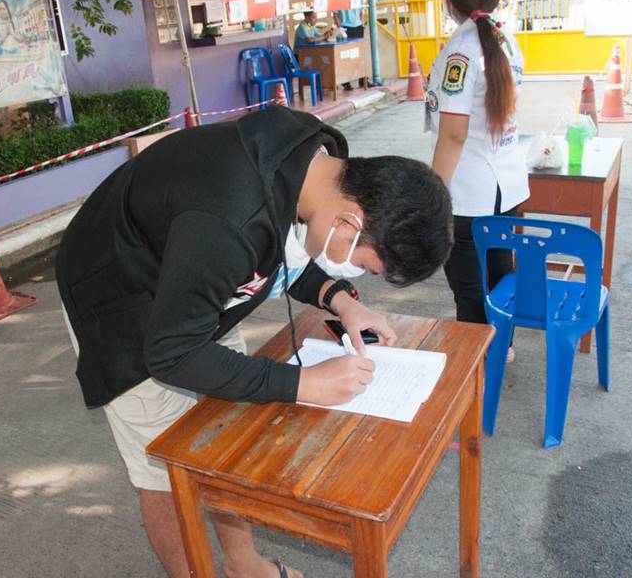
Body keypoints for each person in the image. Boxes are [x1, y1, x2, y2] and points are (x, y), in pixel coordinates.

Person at [56, 106, 453, 578]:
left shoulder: (318, 169)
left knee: (227, 432)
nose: (357, 272)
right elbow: (172, 353)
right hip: (121, 299)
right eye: (365, 266)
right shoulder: (229, 221)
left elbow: (286, 251)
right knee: (164, 467)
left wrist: (341, 299)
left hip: (197, 280)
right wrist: (303, 384)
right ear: (349, 223)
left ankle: (243, 564)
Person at [425, 0, 528, 361]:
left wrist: (432, 195)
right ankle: (502, 349)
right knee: (500, 276)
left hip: (469, 193)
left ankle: (476, 367)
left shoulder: (460, 52)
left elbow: (454, 135)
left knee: (469, 289)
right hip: (506, 186)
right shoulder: (506, 39)